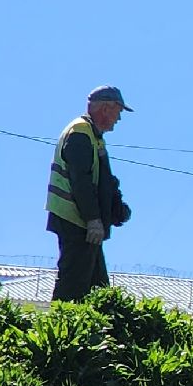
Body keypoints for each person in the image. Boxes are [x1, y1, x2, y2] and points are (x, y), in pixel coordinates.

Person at [46, 85, 133, 302]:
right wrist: (94, 220)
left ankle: (94, 331)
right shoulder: (80, 134)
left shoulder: (94, 136)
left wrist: (115, 209)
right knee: (74, 285)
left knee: (98, 289)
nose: (119, 118)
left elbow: (104, 180)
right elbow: (81, 181)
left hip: (83, 222)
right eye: (118, 111)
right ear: (106, 108)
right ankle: (63, 330)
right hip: (76, 220)